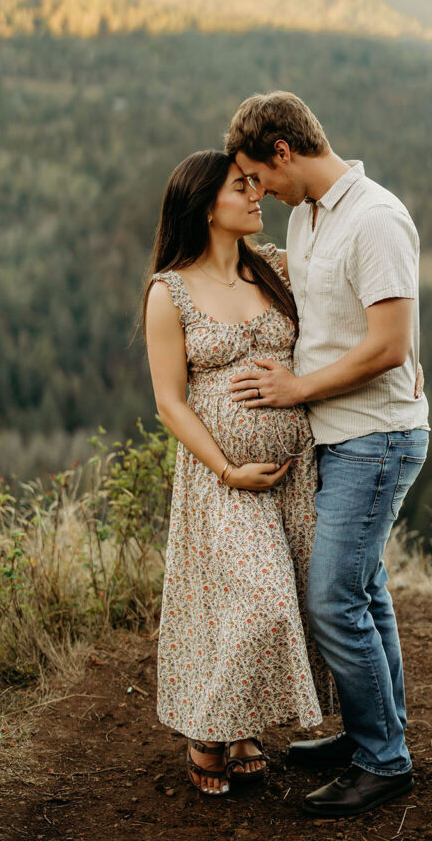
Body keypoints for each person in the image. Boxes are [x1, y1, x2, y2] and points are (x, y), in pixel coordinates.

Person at [225, 91, 430, 818]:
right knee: (364, 592)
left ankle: (384, 762)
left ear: (285, 152)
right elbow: (359, 322)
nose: (259, 189)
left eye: (259, 174)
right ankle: (372, 734)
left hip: (374, 436)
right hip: (343, 435)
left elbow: (388, 343)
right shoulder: (307, 216)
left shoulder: (375, 218)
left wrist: (297, 389)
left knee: (333, 598)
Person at [142, 149, 335, 798]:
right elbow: (170, 401)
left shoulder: (274, 268)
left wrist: (402, 359)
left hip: (296, 473)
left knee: (299, 602)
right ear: (204, 206)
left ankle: (242, 725)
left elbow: (340, 323)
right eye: (241, 187)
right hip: (223, 476)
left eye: (255, 184)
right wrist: (227, 468)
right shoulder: (169, 292)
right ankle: (205, 730)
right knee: (260, 603)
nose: (257, 196)